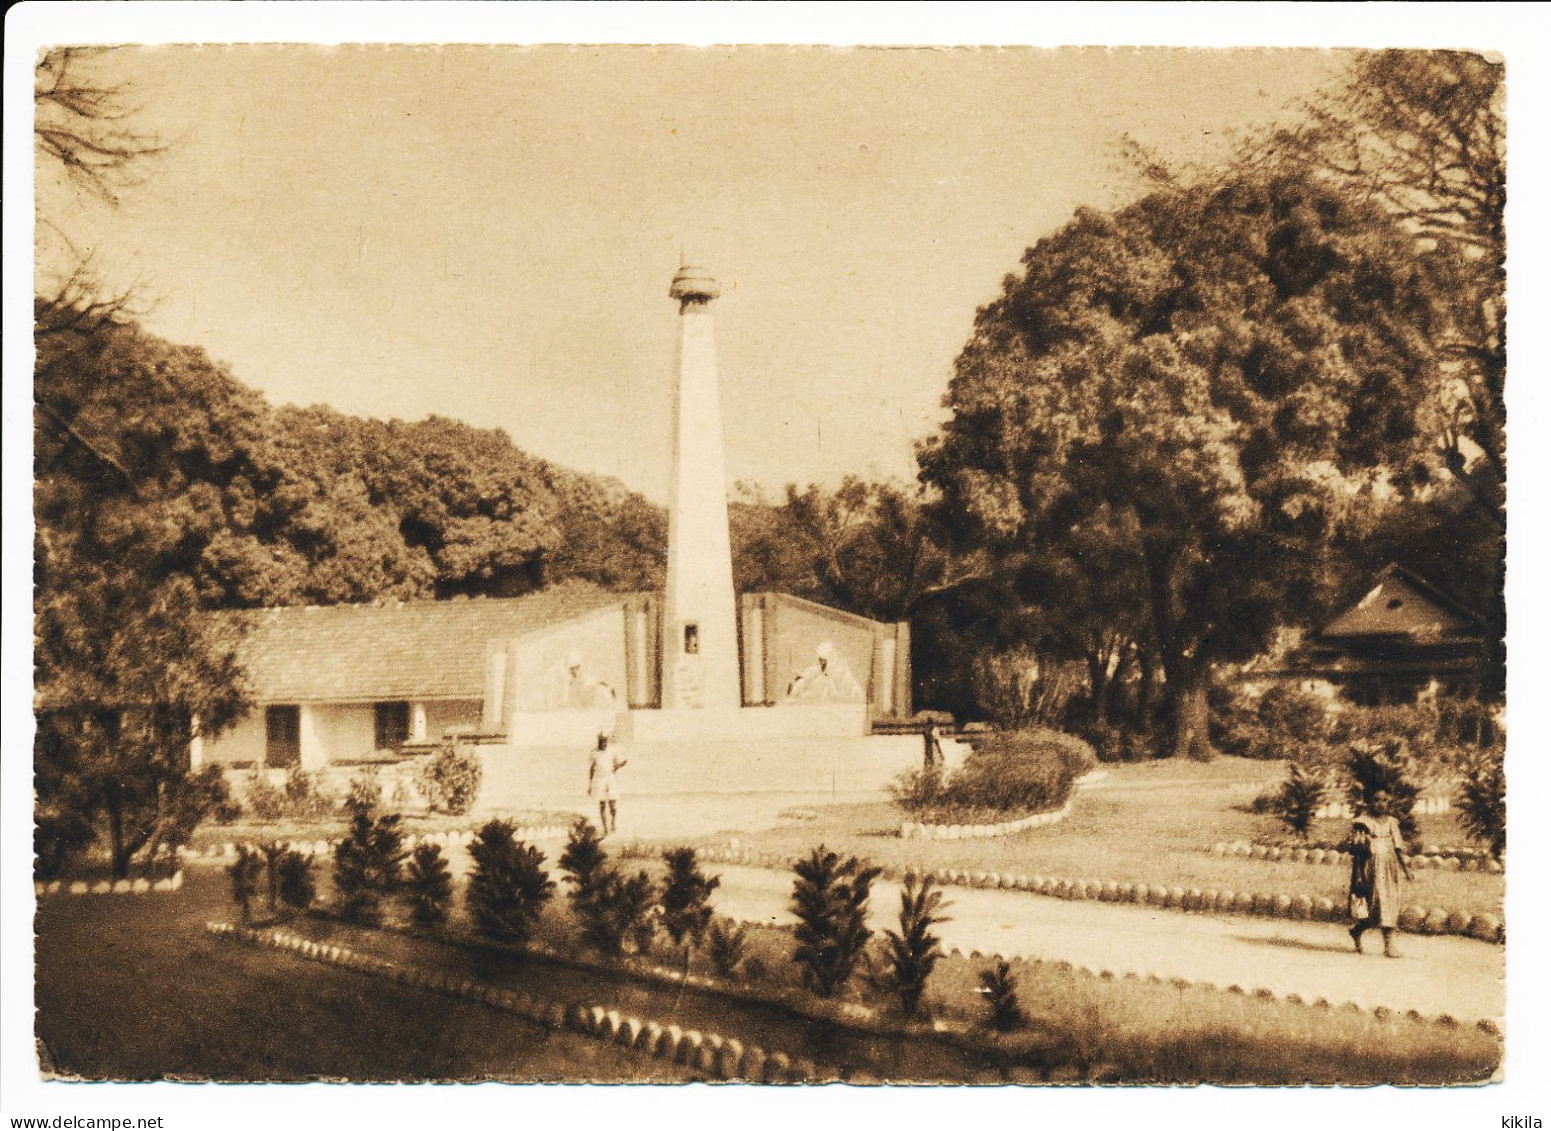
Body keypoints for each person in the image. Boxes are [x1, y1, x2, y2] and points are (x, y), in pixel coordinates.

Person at [1344, 802, 1413, 957]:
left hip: (1389, 868)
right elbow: (1357, 851)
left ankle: (1389, 946)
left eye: (1384, 800)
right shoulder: (1363, 822)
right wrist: (1359, 875)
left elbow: (1398, 848)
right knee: (1370, 906)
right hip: (1368, 868)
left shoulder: (1391, 822)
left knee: (1388, 902)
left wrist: (1406, 870)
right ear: (1371, 802)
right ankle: (1358, 930)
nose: (1380, 804)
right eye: (1376, 800)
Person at [587, 731, 628, 835]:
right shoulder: (594, 752)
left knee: (612, 805)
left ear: (607, 741)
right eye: (601, 742)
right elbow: (591, 769)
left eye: (605, 741)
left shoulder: (612, 750)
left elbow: (624, 761)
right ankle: (605, 828)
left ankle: (613, 823)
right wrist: (590, 785)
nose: (603, 744)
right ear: (598, 742)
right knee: (602, 805)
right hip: (598, 779)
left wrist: (616, 767)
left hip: (610, 778)